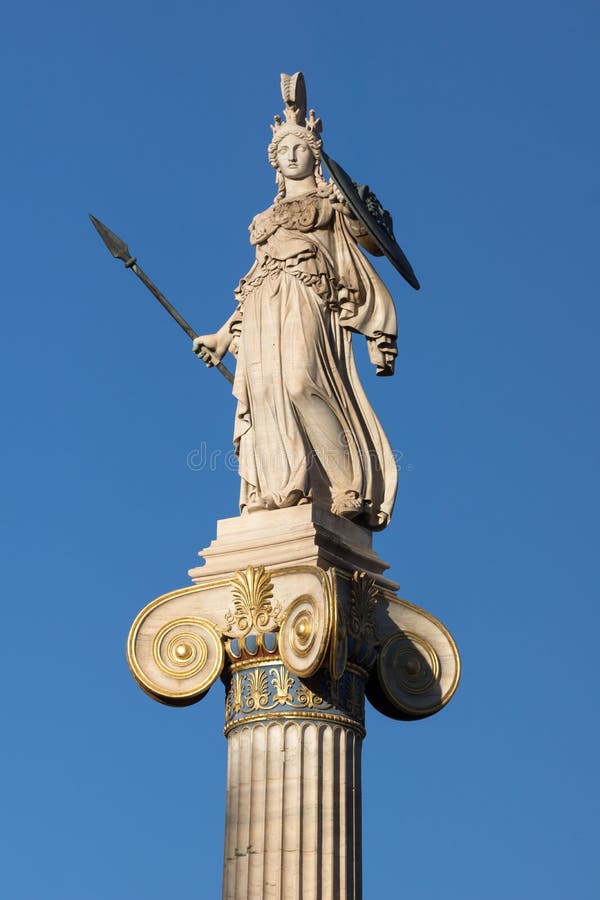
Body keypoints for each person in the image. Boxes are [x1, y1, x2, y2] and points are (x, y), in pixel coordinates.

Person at [194, 74, 398, 530]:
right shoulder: (264, 220)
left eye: (299, 147)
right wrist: (223, 336)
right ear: (273, 162)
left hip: (309, 297)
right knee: (265, 391)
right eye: (282, 149)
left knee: (301, 383)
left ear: (314, 154)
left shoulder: (330, 203)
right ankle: (283, 487)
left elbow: (373, 243)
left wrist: (358, 207)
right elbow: (253, 281)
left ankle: (348, 485)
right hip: (266, 303)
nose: (289, 154)